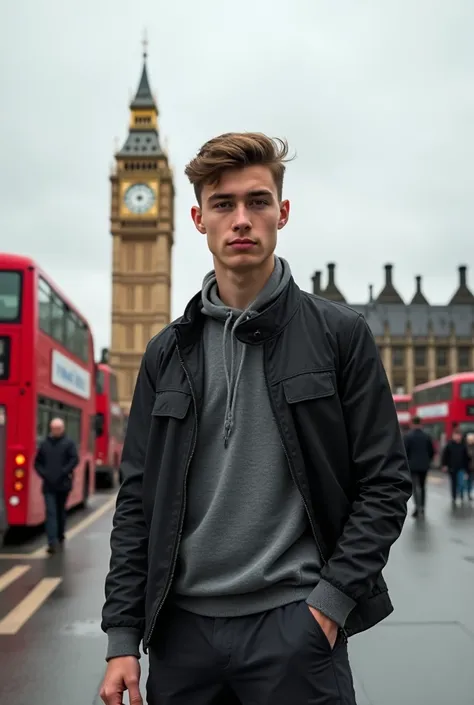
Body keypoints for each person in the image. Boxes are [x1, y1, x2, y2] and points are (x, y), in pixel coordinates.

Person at [99, 132, 412, 705]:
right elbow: (137, 500)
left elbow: (386, 483)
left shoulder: (340, 336)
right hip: (182, 636)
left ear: (282, 212)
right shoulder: (164, 354)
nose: (241, 219)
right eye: (223, 204)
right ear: (197, 218)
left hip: (294, 631)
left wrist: (330, 603)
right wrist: (122, 636)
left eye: (257, 201)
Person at [34, 417, 78, 553]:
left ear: (63, 429)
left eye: (58, 428)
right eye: (54, 428)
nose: (56, 431)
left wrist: (64, 472)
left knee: (60, 511)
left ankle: (60, 535)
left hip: (63, 484)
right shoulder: (44, 444)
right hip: (48, 485)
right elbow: (37, 463)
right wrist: (44, 474)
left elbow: (74, 459)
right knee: (51, 512)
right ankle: (52, 541)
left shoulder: (69, 443)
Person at [403, 416, 435, 517]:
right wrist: (428, 460)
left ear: (412, 424)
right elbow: (432, 451)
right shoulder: (427, 436)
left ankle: (417, 507)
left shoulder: (408, 436)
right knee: (422, 486)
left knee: (415, 487)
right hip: (424, 466)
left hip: (412, 466)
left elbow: (405, 451)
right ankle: (423, 507)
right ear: (421, 424)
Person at [441, 427, 470, 506]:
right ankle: (453, 497)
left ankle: (461, 496)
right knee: (453, 483)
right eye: (456, 435)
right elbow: (445, 456)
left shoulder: (463, 445)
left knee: (461, 483)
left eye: (459, 435)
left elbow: (466, 458)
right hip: (452, 467)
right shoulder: (449, 445)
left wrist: (467, 470)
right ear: (453, 436)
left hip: (461, 467)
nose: (457, 437)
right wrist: (444, 465)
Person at [465, 432, 474, 501]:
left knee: (471, 481)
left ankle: (469, 493)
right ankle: (468, 493)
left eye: (472, 439)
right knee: (469, 481)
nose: (471, 441)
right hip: (468, 467)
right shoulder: (465, 447)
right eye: (469, 439)